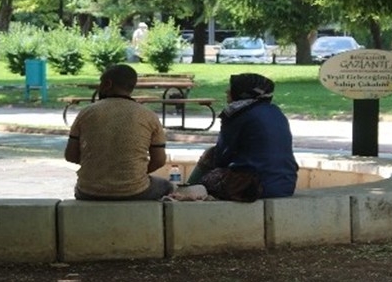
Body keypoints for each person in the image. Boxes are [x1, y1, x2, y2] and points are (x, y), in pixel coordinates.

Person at [64, 64, 173, 200]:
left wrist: (99, 167)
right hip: (135, 191)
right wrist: (133, 174)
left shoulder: (86, 112)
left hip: (88, 191)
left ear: (108, 84)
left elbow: (70, 155)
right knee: (167, 186)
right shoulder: (148, 116)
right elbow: (159, 160)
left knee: (79, 187)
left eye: (101, 83)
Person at [188, 73, 298, 199]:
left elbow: (221, 156)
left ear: (242, 93)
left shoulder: (237, 114)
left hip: (254, 187)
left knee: (210, 158)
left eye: (232, 88)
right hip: (286, 185)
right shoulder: (275, 112)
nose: (227, 91)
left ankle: (185, 191)